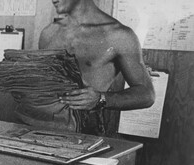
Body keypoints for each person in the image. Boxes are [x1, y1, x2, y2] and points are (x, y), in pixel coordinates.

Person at [30, 0, 156, 135]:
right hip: (41, 125)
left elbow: (147, 94)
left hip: (86, 129)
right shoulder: (49, 33)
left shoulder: (119, 35)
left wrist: (101, 99)